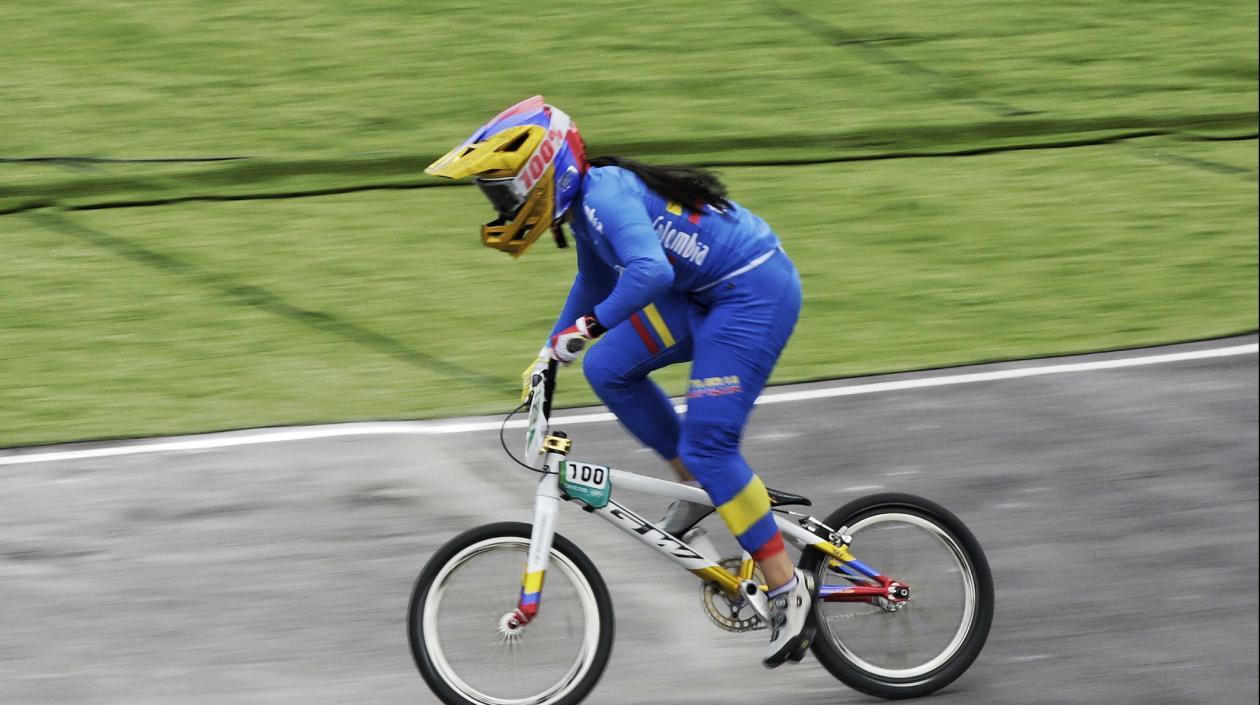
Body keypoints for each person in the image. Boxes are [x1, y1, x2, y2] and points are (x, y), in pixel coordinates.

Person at [426, 96, 811, 667]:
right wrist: (546, 357)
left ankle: (786, 586)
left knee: (711, 443)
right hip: (701, 295)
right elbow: (594, 277)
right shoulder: (587, 204)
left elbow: (649, 272)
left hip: (749, 294)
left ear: (543, 175)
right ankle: (698, 489)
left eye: (503, 191)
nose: (501, 205)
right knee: (609, 368)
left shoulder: (603, 195)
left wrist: (584, 329)